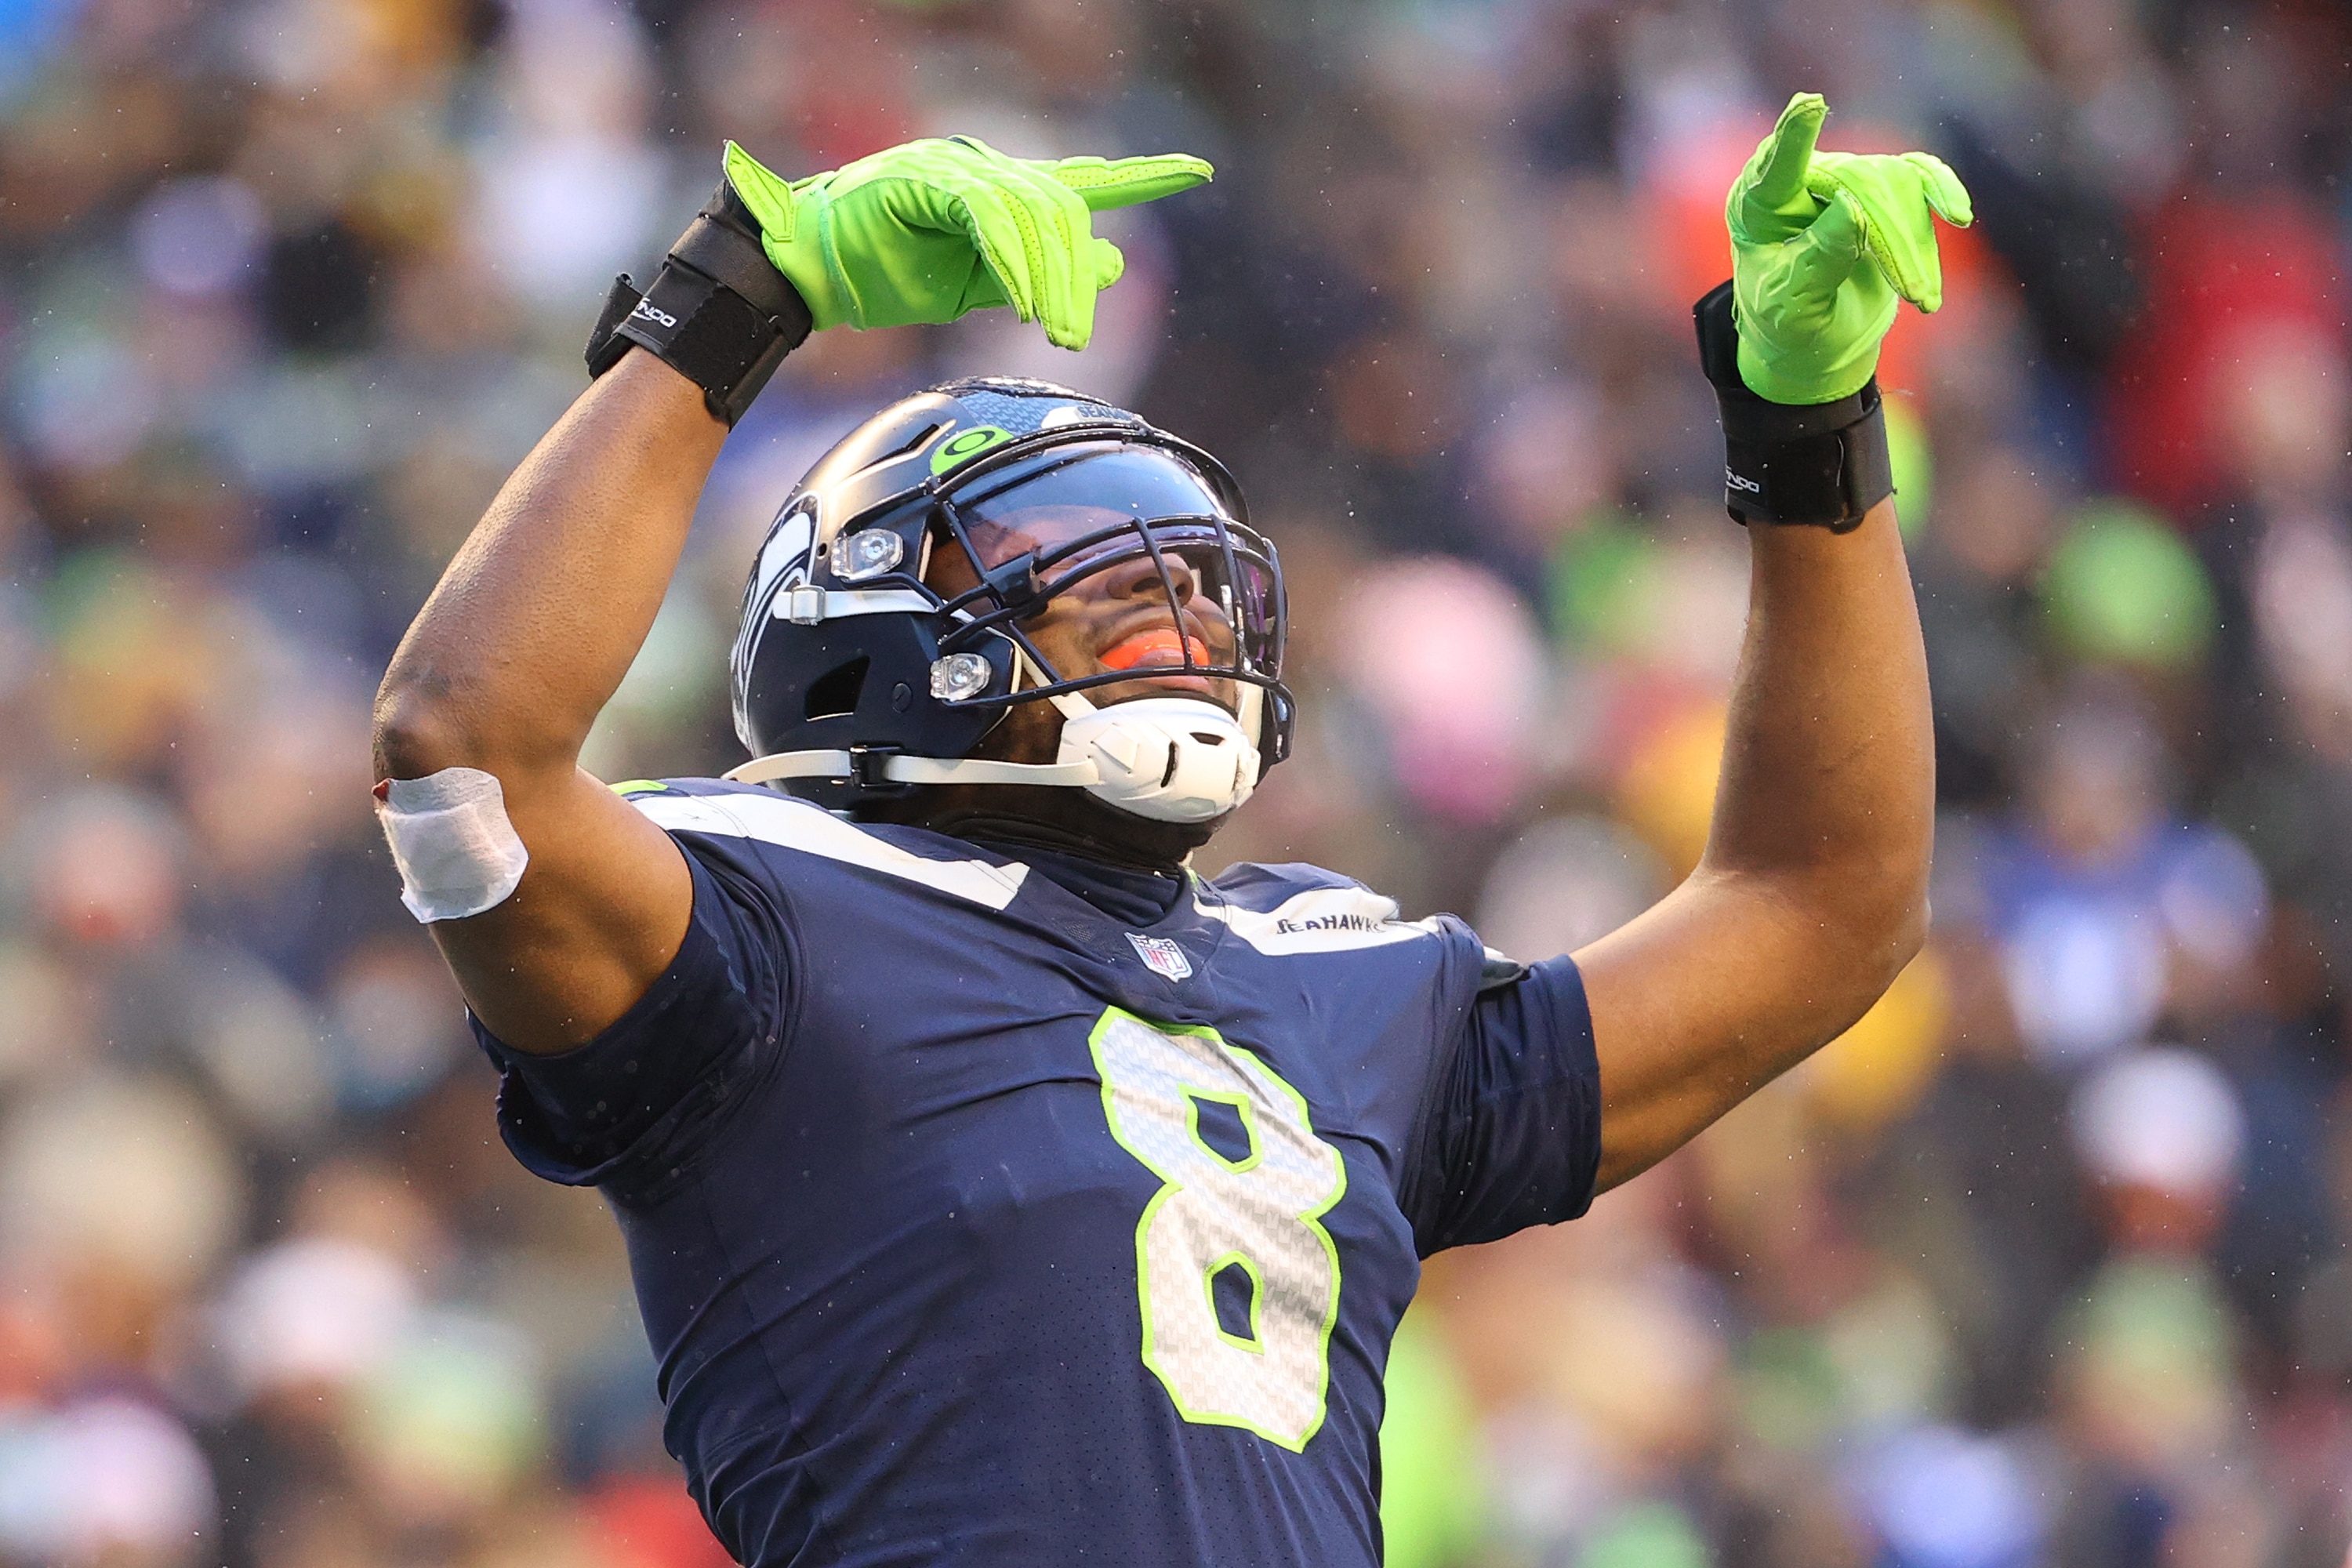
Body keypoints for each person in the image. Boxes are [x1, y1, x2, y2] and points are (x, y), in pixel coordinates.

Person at [371, 97, 1962, 1566]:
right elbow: (464, 757)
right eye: (1080, 556)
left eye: (1195, 568)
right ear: (860, 637)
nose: (1180, 596)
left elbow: (1821, 905)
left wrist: (1808, 429)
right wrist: (738, 293)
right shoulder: (774, 919)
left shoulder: (1342, 977)